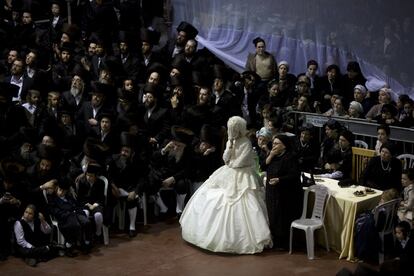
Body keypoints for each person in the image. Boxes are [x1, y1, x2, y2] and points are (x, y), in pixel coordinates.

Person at [180, 116, 272, 254]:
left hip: (243, 173)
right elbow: (224, 158)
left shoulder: (246, 142)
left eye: (234, 129)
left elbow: (242, 160)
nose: (232, 131)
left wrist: (231, 164)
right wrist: (229, 147)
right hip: (229, 171)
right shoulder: (231, 141)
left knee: (245, 200)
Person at [262, 134, 303, 250]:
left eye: (276, 143)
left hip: (286, 192)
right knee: (273, 214)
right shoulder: (273, 155)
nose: (273, 145)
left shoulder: (290, 157)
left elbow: (294, 174)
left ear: (284, 146)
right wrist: (270, 155)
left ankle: (284, 243)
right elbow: (263, 167)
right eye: (273, 143)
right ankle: (276, 239)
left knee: (282, 217)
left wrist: (280, 180)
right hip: (272, 191)